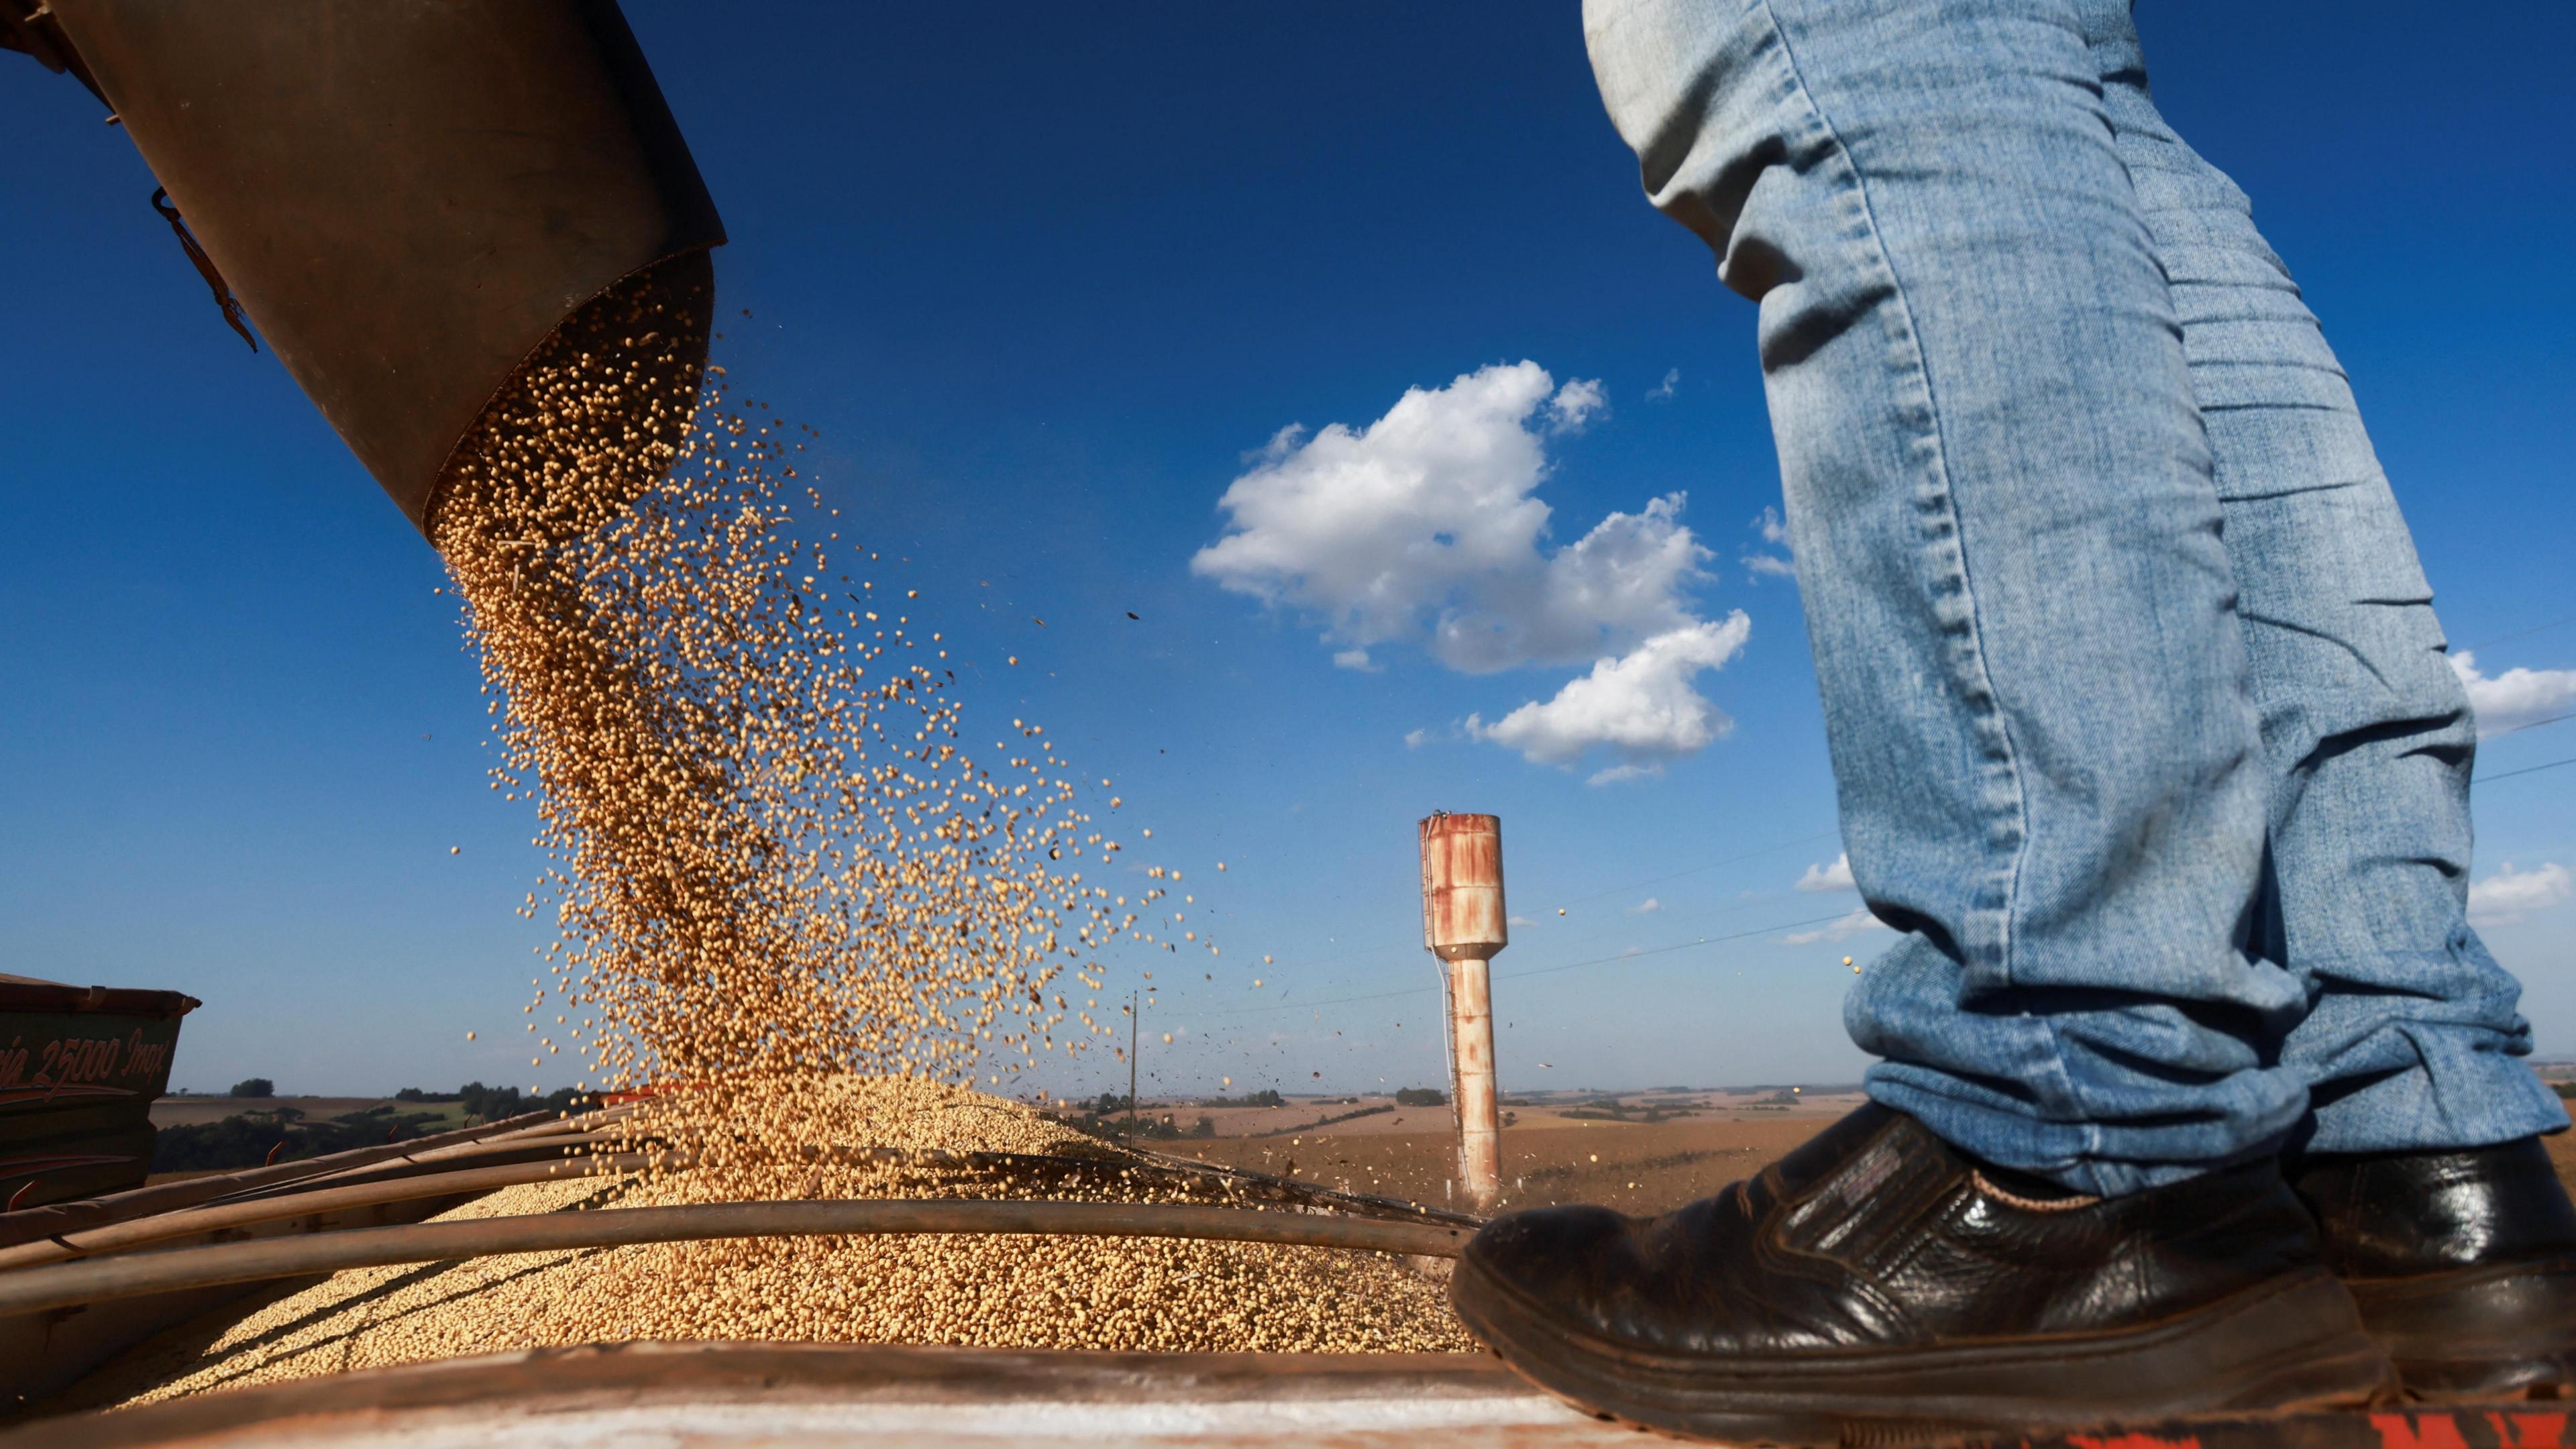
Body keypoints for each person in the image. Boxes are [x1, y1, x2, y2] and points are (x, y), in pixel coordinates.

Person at [1446, 1, 2576, 1441]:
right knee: (2080, 111)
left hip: (2089, 1127)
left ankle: (2068, 1127)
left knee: (1840, 39)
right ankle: (2399, 1145)